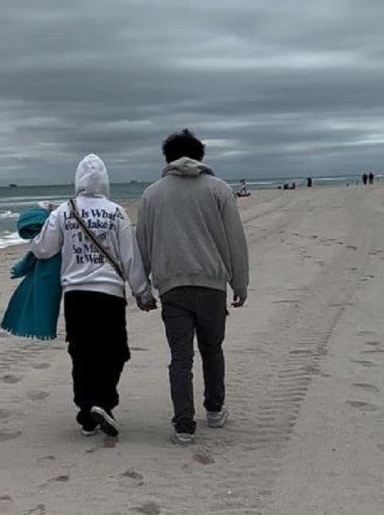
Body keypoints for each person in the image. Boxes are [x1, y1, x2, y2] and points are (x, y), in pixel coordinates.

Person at [136, 129, 249, 445]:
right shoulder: (219, 190)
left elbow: (142, 244)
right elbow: (235, 241)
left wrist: (142, 289)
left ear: (167, 158)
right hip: (212, 285)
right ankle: (214, 410)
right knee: (212, 349)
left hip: (173, 287)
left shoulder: (152, 195)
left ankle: (183, 426)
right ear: (200, 156)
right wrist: (239, 282)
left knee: (180, 358)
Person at [31, 154, 156, 438]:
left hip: (76, 296)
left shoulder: (64, 211)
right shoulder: (116, 212)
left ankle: (87, 414)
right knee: (115, 352)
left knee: (81, 353)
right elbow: (130, 257)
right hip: (110, 294)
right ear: (105, 180)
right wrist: (143, 292)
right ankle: (104, 403)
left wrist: (35, 223)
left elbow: (43, 249)